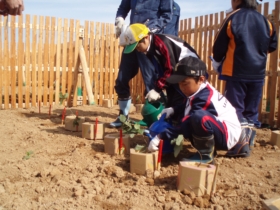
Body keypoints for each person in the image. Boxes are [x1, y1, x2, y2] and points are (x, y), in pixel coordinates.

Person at [147, 56, 252, 163]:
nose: (181, 87)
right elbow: (187, 104)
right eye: (179, 84)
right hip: (218, 128)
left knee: (197, 118)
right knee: (193, 117)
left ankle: (205, 156)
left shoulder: (205, 98)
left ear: (201, 79)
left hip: (227, 135)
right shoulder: (197, 91)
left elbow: (187, 124)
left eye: (185, 83)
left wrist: (161, 136)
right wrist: (173, 109)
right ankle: (209, 150)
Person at [110, 0, 180, 128]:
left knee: (151, 82)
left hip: (146, 41)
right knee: (121, 79)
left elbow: (167, 15)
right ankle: (123, 116)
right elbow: (123, 7)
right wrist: (119, 19)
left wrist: (149, 29)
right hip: (131, 40)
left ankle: (156, 121)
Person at [211, 0, 277, 128]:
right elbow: (273, 45)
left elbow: (219, 46)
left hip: (236, 72)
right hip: (257, 74)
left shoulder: (233, 17)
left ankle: (238, 143)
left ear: (237, 1)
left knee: (235, 110)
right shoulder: (266, 21)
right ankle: (249, 138)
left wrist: (217, 61)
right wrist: (257, 54)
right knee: (251, 111)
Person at [119, 23, 200, 122]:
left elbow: (170, 68)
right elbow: (161, 70)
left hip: (189, 72)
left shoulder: (162, 43)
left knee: (182, 103)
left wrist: (157, 89)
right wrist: (157, 87)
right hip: (176, 75)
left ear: (145, 38)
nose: (137, 49)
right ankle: (172, 128)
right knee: (172, 103)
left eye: (137, 46)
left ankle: (184, 129)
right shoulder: (149, 49)